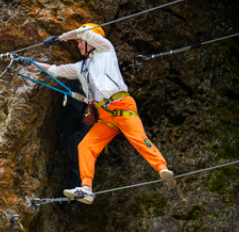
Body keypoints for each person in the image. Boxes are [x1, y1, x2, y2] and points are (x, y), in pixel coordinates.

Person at [15, 23, 176, 204]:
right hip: (105, 115)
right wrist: (31, 63)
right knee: (86, 146)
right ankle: (86, 189)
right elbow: (56, 70)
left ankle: (162, 168)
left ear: (90, 39)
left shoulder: (106, 50)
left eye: (80, 42)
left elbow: (84, 32)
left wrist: (60, 38)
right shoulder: (82, 67)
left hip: (122, 106)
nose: (78, 45)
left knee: (138, 137)